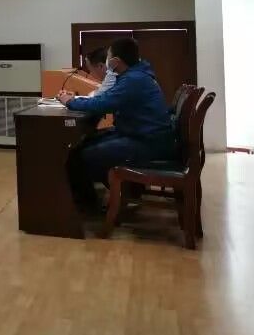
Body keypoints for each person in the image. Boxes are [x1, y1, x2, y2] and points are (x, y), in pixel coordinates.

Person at [59, 38, 175, 210]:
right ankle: (120, 193)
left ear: (116, 61)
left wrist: (70, 101)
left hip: (147, 142)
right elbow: (106, 98)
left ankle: (92, 205)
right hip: (142, 134)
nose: (106, 61)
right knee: (83, 145)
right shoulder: (135, 75)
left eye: (109, 57)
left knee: (82, 156)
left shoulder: (133, 80)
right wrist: (75, 100)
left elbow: (103, 103)